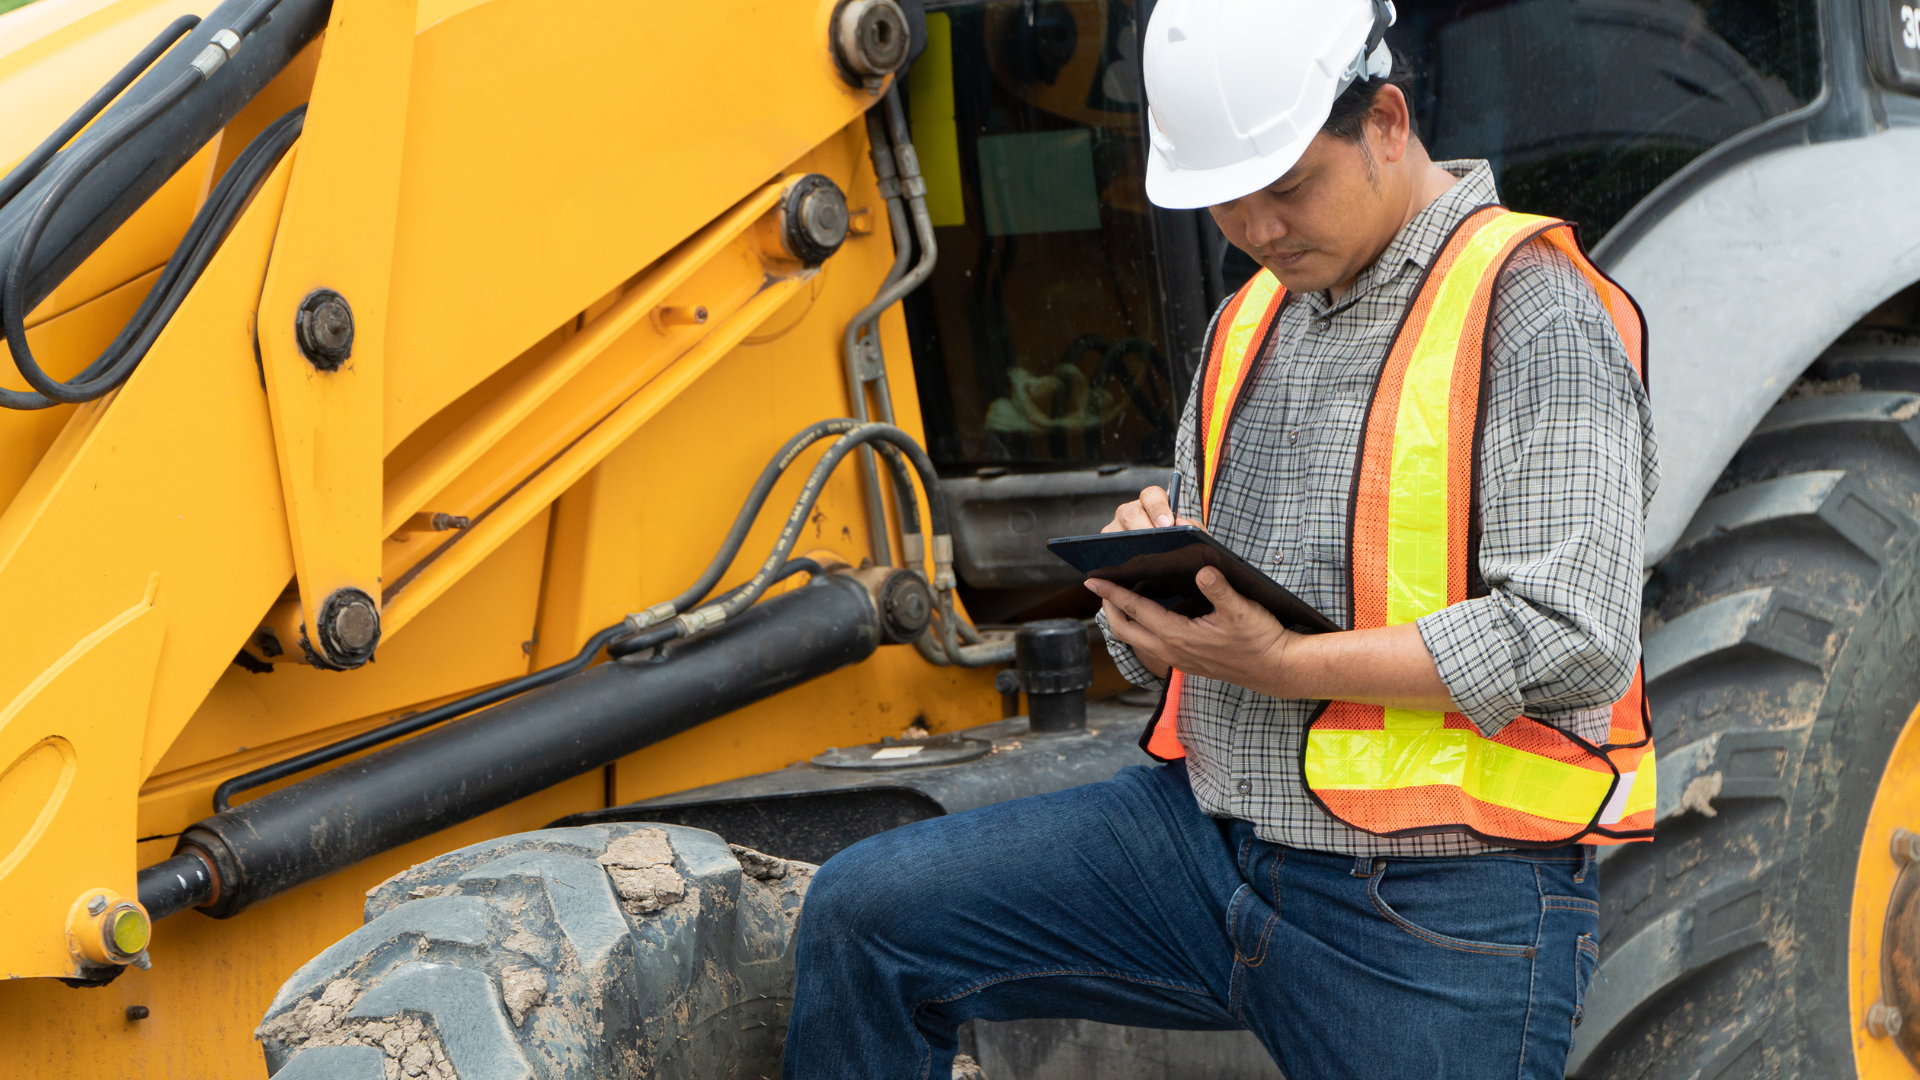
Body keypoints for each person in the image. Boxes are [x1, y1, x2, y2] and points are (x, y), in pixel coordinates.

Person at [780, 0, 1659, 1076]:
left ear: (1385, 120)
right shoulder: (1252, 317)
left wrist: (1286, 665)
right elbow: (1220, 606)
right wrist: (1147, 610)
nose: (1257, 229)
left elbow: (1573, 638)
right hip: (1206, 844)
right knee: (867, 915)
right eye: (1224, 204)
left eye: (1286, 188)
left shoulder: (1537, 312)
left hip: (1437, 901)